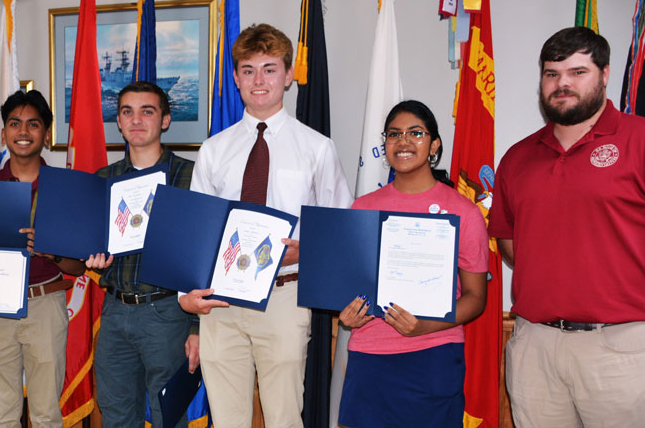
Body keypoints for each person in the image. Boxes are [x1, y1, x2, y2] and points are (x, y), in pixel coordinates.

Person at [488, 27, 645, 427]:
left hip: (622, 348)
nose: (562, 84)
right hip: (535, 345)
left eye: (577, 72)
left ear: (605, 74)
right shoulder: (517, 158)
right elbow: (510, 245)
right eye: (552, 74)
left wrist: (633, 292)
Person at [178, 24, 352, 427]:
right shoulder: (214, 150)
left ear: (289, 76)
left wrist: (305, 249)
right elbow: (197, 234)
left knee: (284, 417)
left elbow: (337, 225)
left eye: (270, 69)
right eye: (248, 69)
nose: (259, 80)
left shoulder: (317, 148)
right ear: (235, 78)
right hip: (220, 301)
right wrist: (189, 298)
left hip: (284, 296)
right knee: (227, 419)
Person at [336, 100, 488, 427]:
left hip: (433, 355)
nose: (403, 141)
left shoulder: (463, 212)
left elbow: (476, 299)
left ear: (434, 145)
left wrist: (424, 327)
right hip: (371, 357)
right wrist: (347, 315)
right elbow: (350, 287)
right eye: (394, 134)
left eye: (415, 133)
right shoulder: (362, 208)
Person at [0, 90, 86, 428]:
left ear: (46, 135)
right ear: (3, 134)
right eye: (14, 124)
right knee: (1, 417)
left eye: (33, 124)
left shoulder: (64, 190)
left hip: (46, 304)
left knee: (46, 415)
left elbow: (79, 267)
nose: (23, 131)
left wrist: (53, 252)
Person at [83, 81, 199, 427]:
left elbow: (202, 256)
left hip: (167, 312)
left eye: (147, 111)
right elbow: (93, 246)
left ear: (164, 120)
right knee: (117, 414)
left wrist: (197, 326)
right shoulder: (102, 180)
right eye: (127, 112)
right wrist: (94, 259)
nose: (136, 120)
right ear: (118, 121)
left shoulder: (190, 176)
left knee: (170, 417)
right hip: (116, 311)